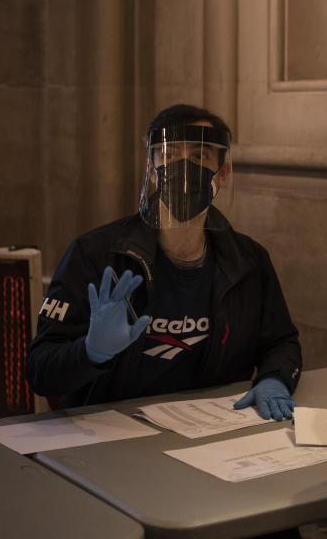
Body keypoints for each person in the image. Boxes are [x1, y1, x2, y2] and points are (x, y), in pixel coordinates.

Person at [26, 104, 301, 420]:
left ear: (223, 172)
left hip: (212, 429)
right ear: (153, 171)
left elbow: (282, 341)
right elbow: (39, 370)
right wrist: (90, 352)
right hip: (114, 434)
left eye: (199, 157)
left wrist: (274, 377)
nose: (185, 168)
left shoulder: (248, 261)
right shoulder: (95, 255)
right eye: (170, 156)